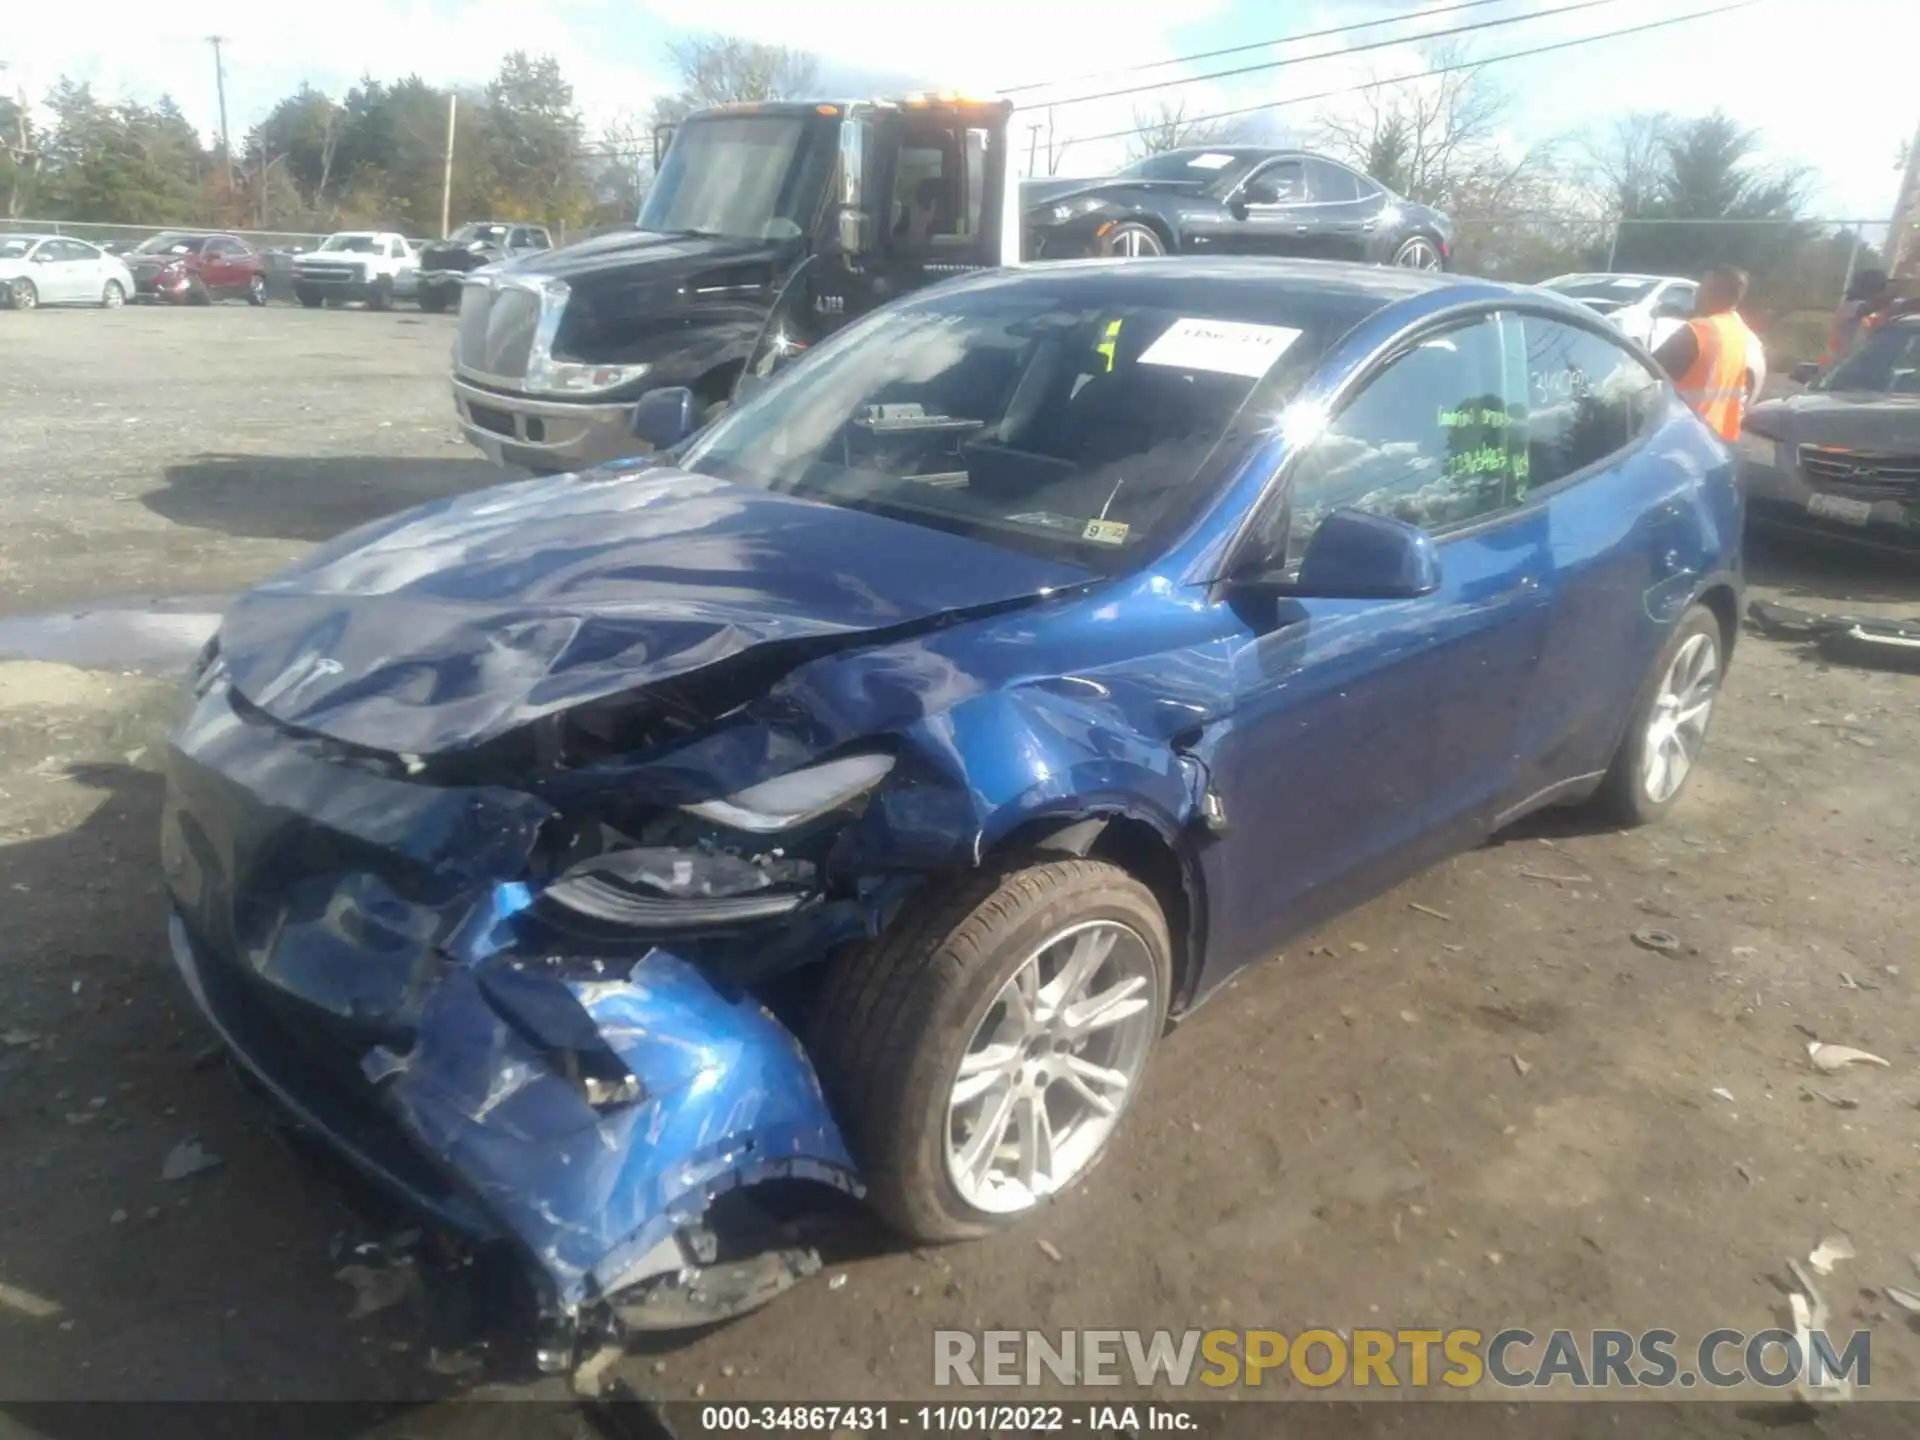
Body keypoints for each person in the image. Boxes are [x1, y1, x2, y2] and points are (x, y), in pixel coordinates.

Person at [1651, 266, 1753, 441]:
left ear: (1716, 293)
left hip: (1682, 438)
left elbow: (1647, 376)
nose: (1696, 294)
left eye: (1702, 289)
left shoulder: (1699, 331)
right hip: (1718, 441)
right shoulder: (1739, 330)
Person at [1824, 268, 1888, 366]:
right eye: (1881, 289)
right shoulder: (1850, 307)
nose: (1881, 294)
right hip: (1836, 367)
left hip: (1853, 367)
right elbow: (1869, 307)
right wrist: (1894, 294)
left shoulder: (1869, 312)